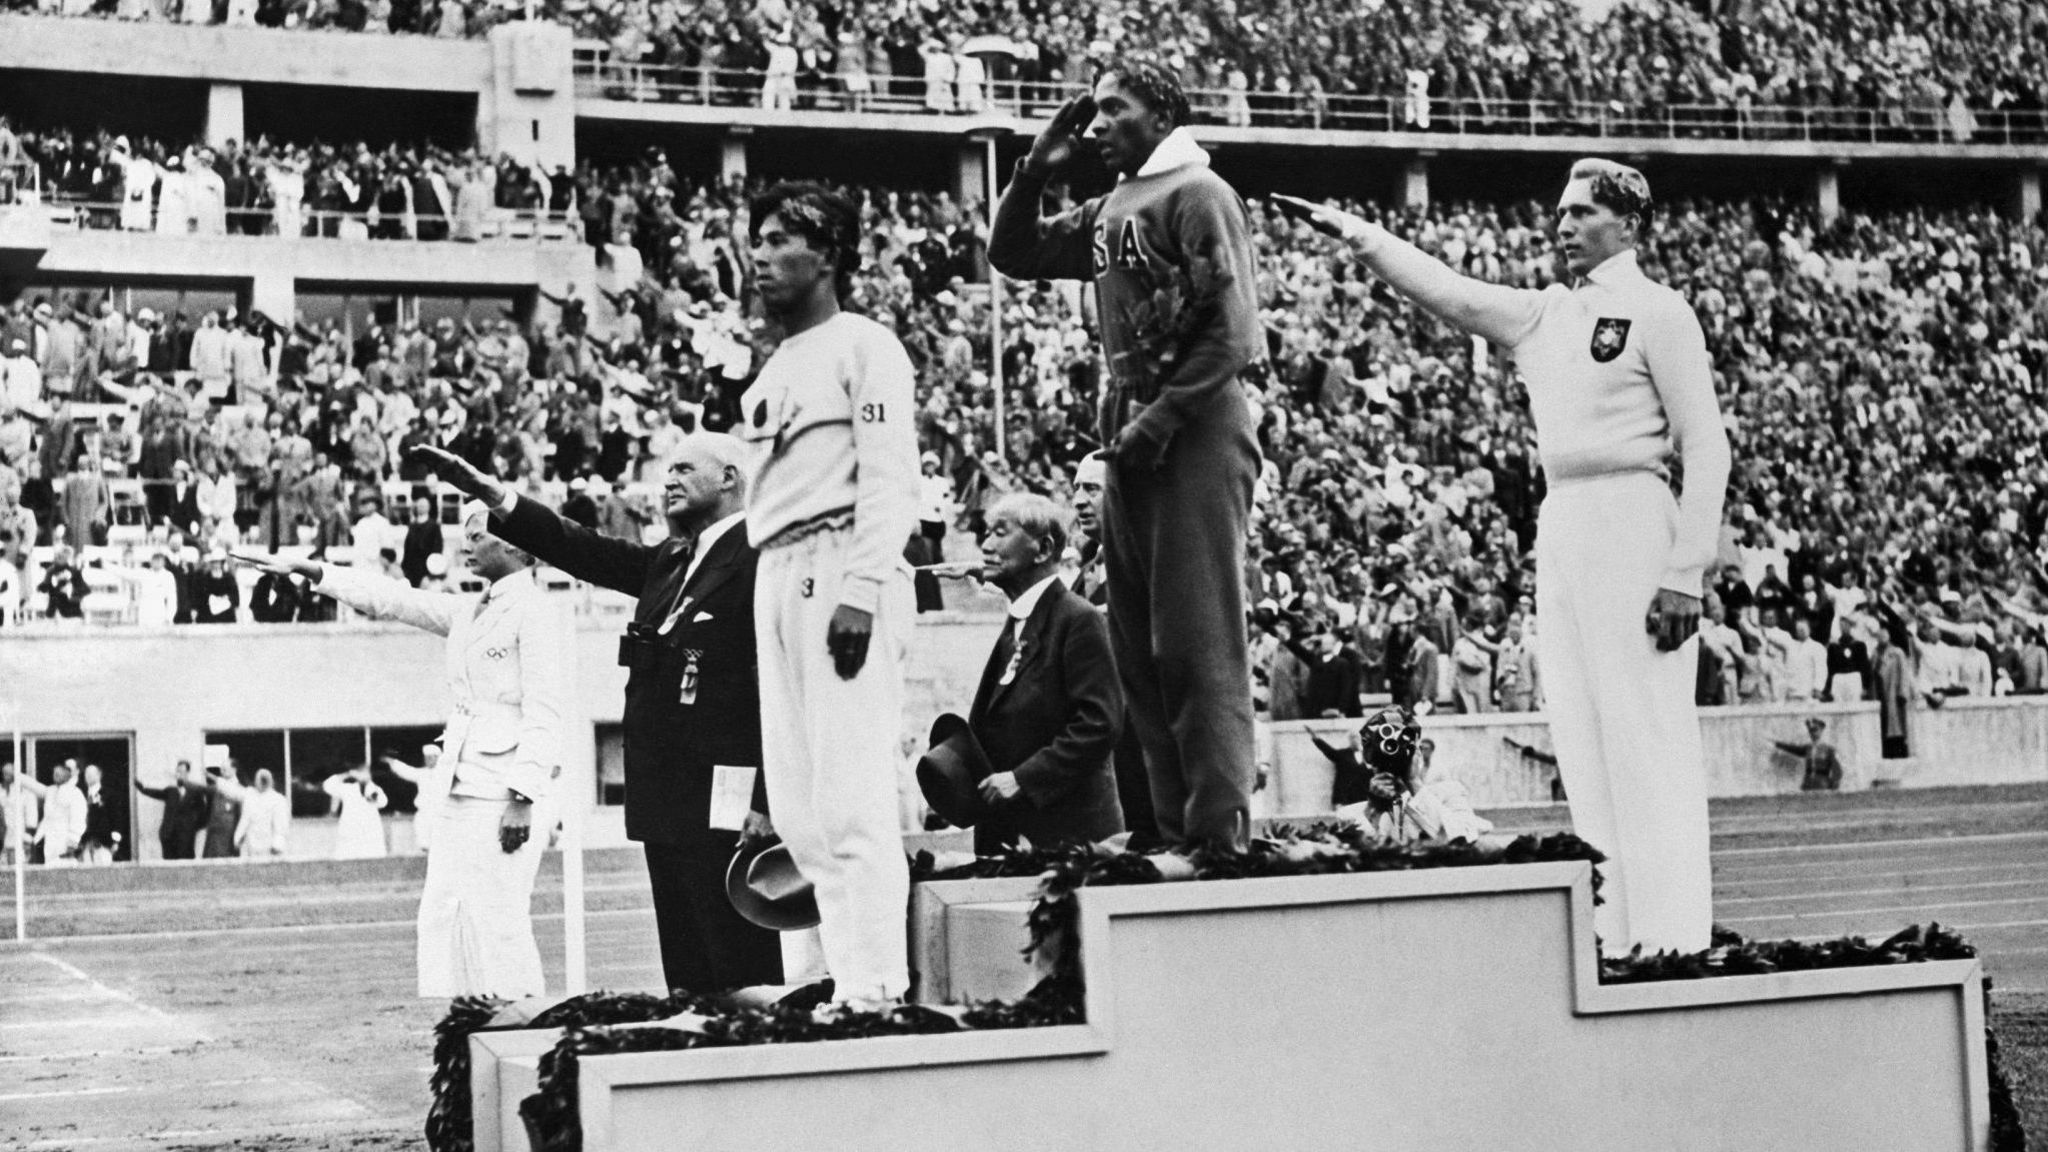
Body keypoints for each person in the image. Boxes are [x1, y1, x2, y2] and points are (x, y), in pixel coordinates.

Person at [1277, 158, 1731, 956]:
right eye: (1559, 212)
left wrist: (1685, 570)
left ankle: (1675, 937)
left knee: (1644, 734)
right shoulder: (1543, 314)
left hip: (1634, 511)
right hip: (1564, 520)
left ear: (1628, 225)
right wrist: (1357, 233)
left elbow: (1707, 446)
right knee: (1582, 737)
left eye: (1582, 213)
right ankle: (1615, 932)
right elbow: (1448, 291)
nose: (1563, 226)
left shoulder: (1661, 312)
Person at [990, 62, 1263, 850]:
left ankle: (1219, 835)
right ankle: (1171, 827)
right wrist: (1033, 172)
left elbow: (1233, 333)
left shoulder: (1196, 193)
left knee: (1196, 642)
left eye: (1116, 108)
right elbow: (1017, 253)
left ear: (1163, 113)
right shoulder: (1116, 202)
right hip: (1133, 427)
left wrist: (1158, 421)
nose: (1098, 123)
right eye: (1095, 110)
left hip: (1194, 426)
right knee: (1140, 645)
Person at [412, 433, 786, 996]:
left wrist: (767, 801)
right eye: (666, 471)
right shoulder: (670, 560)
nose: (669, 481)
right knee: (688, 980)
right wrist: (494, 496)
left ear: (731, 477)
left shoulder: (762, 560)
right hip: (668, 802)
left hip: (729, 806)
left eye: (685, 469)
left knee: (742, 973)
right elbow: (580, 548)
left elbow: (777, 688)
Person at [238, 500, 568, 1001]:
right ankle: (464, 1023)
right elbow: (392, 598)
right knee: (443, 911)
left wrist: (523, 796)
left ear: (516, 546)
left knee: (500, 916)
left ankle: (525, 1026)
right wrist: (313, 571)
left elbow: (545, 710)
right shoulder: (470, 609)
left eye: (478, 536)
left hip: (504, 790)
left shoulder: (536, 612)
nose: (466, 545)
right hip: (459, 783)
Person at [735, 183, 920, 1007]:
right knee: (803, 810)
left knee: (850, 795)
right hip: (776, 568)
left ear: (832, 254)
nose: (762, 255)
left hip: (838, 560)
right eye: (759, 240)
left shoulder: (865, 345)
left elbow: (890, 476)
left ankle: (877, 984)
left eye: (782, 240)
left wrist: (864, 586)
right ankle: (829, 980)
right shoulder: (775, 363)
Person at [964, 494, 1124, 855]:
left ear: (1043, 548)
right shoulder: (1018, 623)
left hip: (1070, 842)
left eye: (1000, 533)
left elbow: (1101, 723)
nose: (986, 545)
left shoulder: (1078, 619)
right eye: (986, 533)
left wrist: (1025, 778)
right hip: (1016, 836)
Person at [136, 759, 211, 860]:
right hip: (169, 836)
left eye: (182, 772)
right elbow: (155, 793)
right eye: (178, 771)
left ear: (188, 773)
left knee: (185, 866)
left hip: (186, 838)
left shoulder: (195, 792)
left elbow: (203, 814)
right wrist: (141, 788)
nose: (179, 774)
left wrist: (192, 828)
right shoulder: (171, 791)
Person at [323, 765, 389, 859]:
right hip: (350, 832)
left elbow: (383, 802)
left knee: (372, 860)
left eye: (365, 773)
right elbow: (327, 786)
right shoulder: (348, 789)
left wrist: (374, 796)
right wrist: (347, 774)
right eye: (360, 773)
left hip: (369, 833)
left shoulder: (375, 789)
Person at [1772, 716, 1844, 792]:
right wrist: (1777, 744)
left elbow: (1837, 770)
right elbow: (1792, 748)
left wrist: (1834, 785)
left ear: (1821, 730)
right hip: (1807, 784)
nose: (1813, 733)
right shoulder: (1807, 748)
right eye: (1810, 731)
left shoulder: (1829, 750)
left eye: (1815, 730)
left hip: (1822, 784)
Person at [39, 761, 88, 866]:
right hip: (51, 844)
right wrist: (36, 839)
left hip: (66, 844)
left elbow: (78, 819)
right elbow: (47, 818)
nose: (55, 775)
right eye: (54, 773)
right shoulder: (51, 792)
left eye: (58, 773)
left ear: (67, 775)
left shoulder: (75, 793)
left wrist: (73, 841)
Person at [235, 768, 291, 858]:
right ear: (255, 781)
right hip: (251, 846)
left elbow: (281, 826)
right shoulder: (249, 795)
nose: (262, 782)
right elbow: (231, 790)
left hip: (269, 848)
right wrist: (238, 837)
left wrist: (277, 845)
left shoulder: (278, 800)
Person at [1, 758, 46, 866]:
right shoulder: (1, 790)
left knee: (20, 868)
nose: (6, 775)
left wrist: (28, 835)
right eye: (4, 773)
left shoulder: (26, 791)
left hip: (22, 836)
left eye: (9, 772)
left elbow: (32, 816)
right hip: (5, 838)